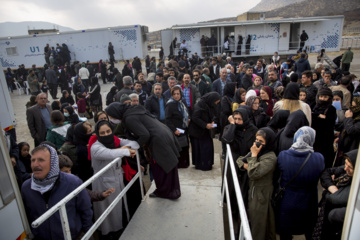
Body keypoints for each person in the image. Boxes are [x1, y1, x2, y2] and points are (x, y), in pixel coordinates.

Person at [105, 103, 181, 199]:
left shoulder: (129, 118)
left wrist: (134, 146)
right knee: (167, 165)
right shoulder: (133, 111)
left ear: (116, 112)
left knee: (160, 167)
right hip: (164, 134)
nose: (111, 119)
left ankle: (165, 191)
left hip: (158, 140)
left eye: (111, 116)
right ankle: (170, 190)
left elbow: (145, 135)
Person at [21, 144, 93, 240]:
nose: (35, 165)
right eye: (33, 160)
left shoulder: (73, 183)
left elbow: (86, 210)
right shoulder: (26, 187)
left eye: (41, 160)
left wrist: (88, 235)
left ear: (53, 162)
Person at [90, 120, 139, 238]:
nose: (106, 134)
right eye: (102, 133)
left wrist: (125, 147)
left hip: (117, 180)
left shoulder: (115, 141)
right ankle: (108, 233)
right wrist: (126, 150)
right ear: (97, 134)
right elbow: (109, 154)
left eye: (108, 131)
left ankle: (120, 230)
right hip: (103, 184)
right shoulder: (96, 147)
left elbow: (135, 144)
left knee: (120, 208)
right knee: (107, 213)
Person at [277, 126, 325, 240]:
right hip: (309, 203)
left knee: (285, 232)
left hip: (287, 202)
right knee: (309, 230)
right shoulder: (319, 158)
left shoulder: (283, 156)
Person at [236, 127, 277, 240]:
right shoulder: (257, 150)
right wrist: (248, 165)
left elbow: (254, 173)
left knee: (258, 225)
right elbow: (240, 160)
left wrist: (253, 157)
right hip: (250, 190)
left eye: (261, 141)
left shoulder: (270, 158)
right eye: (256, 140)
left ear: (268, 143)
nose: (257, 143)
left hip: (260, 195)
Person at [312, 150, 358, 240]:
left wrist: (327, 190)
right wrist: (332, 186)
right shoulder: (346, 171)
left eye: (350, 167)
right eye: (345, 164)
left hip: (335, 225)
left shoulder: (354, 187)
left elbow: (334, 198)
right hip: (326, 215)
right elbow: (326, 172)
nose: (345, 169)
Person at [188, 92, 220, 171]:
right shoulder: (199, 105)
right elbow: (195, 117)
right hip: (197, 131)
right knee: (201, 149)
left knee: (207, 148)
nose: (216, 103)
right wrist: (205, 125)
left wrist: (213, 121)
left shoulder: (210, 104)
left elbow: (215, 114)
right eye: (216, 102)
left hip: (205, 131)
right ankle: (201, 165)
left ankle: (207, 164)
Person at [165, 86, 190, 168]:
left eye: (178, 94)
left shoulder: (182, 103)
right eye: (174, 94)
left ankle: (184, 163)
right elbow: (168, 120)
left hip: (183, 129)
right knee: (179, 148)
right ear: (172, 95)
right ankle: (179, 164)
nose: (176, 96)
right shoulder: (170, 105)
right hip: (176, 131)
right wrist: (174, 130)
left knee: (185, 147)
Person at [312, 87, 337, 169]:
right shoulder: (314, 106)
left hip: (325, 139)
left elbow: (329, 122)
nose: (322, 99)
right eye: (321, 96)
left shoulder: (331, 109)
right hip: (315, 137)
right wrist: (319, 116)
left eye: (325, 97)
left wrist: (316, 115)